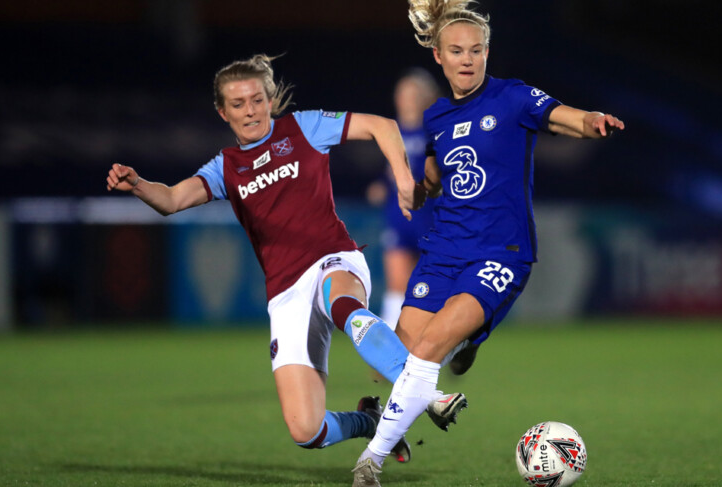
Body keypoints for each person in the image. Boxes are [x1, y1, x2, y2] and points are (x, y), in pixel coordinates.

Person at [105, 54, 458, 465]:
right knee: (307, 430)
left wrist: (402, 180)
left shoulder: (304, 128)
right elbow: (171, 200)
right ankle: (368, 421)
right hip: (286, 293)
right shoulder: (227, 168)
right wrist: (138, 184)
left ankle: (426, 393)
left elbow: (382, 126)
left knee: (342, 305)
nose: (249, 110)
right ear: (222, 112)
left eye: (257, 100)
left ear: (270, 101)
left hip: (334, 259)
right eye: (238, 104)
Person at [352, 1, 625, 485]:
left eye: (476, 50)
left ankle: (369, 461)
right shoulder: (436, 118)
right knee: (402, 352)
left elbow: (563, 117)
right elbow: (434, 175)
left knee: (428, 350)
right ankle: (455, 356)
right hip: (443, 252)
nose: (467, 59)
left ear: (486, 52)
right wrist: (418, 188)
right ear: (439, 56)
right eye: (457, 51)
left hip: (501, 253)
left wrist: (593, 121)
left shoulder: (512, 97)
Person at [367, 68, 441, 331]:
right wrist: (380, 185)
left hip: (430, 218)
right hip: (398, 217)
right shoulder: (391, 131)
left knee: (430, 286)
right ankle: (388, 346)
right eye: (402, 94)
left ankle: (436, 341)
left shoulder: (434, 131)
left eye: (412, 95)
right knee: (397, 285)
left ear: (426, 97)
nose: (406, 100)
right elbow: (389, 171)